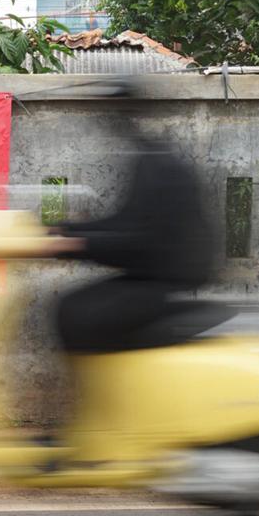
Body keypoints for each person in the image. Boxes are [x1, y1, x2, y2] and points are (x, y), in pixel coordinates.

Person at [48, 134, 216, 352]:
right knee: (74, 306)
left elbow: (142, 240)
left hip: (161, 280)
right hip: (154, 276)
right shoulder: (154, 161)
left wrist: (79, 244)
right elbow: (125, 223)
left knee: (75, 311)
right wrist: (68, 231)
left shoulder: (160, 167)